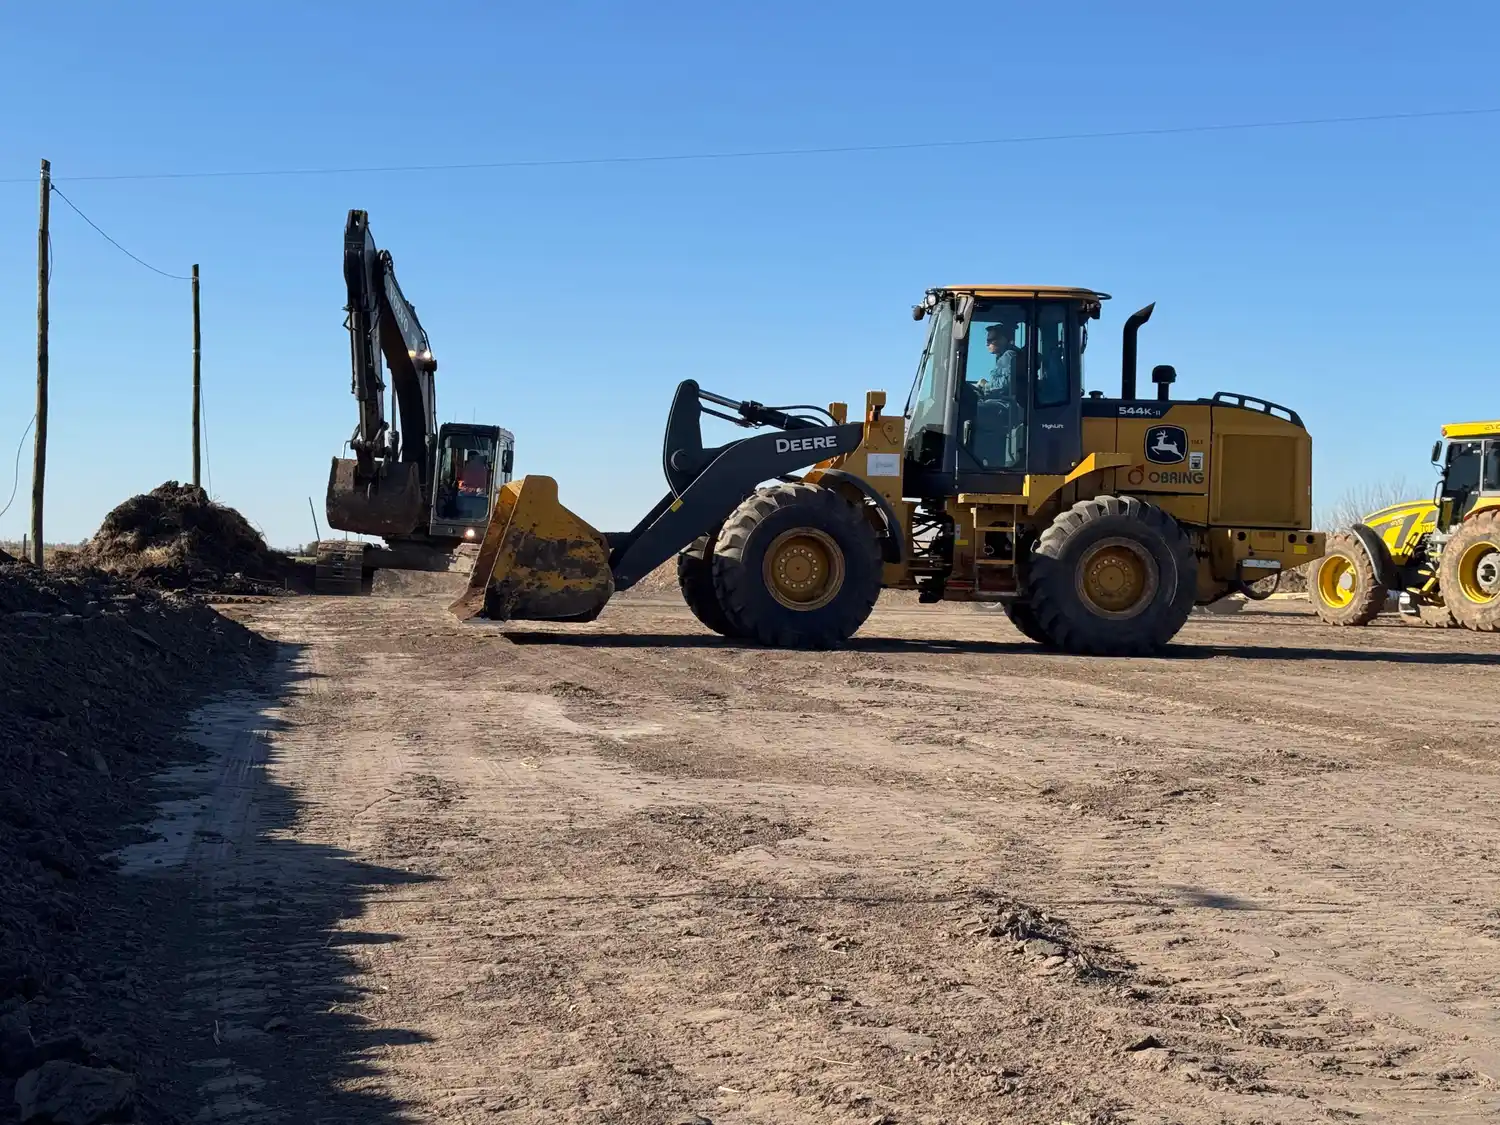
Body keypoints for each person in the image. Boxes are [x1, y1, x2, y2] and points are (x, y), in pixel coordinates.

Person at [975, 320, 1025, 399]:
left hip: (1006, 402)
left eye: (990, 340)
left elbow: (1006, 384)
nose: (987, 344)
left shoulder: (1009, 355)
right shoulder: (1004, 356)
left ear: (1003, 339)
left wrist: (985, 385)